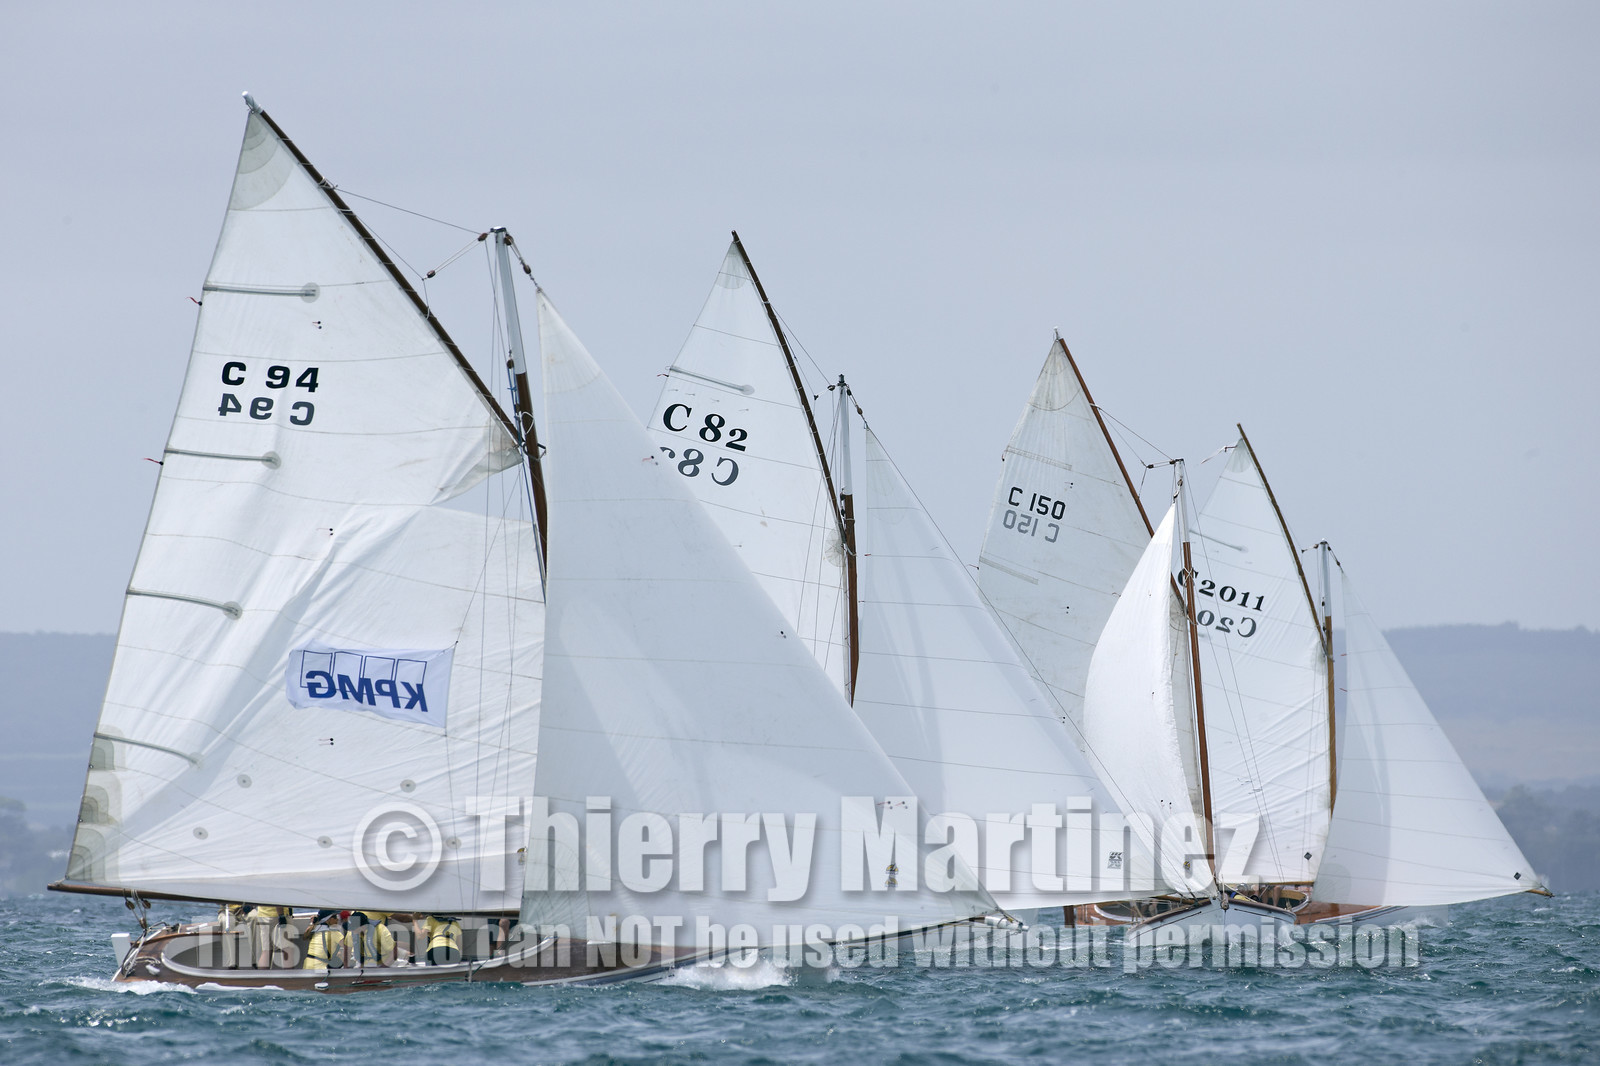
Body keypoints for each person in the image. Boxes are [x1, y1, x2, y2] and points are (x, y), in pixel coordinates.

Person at [247, 904, 293, 969]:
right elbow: (277, 898)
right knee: (287, 950)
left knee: (266, 950)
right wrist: (281, 915)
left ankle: (263, 977)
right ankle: (289, 977)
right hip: (276, 915)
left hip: (262, 915)